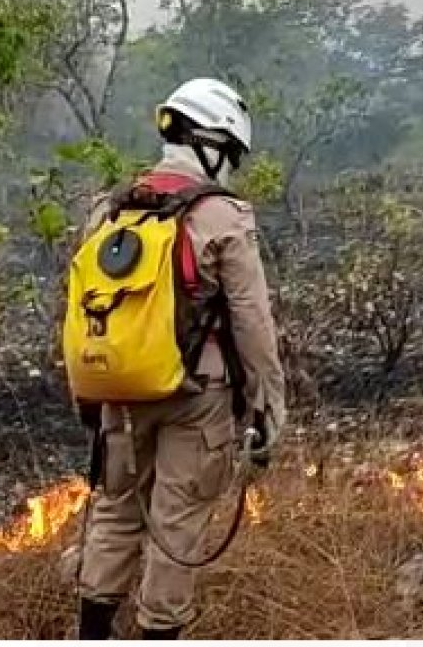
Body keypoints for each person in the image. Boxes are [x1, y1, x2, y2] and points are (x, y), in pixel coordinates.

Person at [75, 78, 285, 639]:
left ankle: (91, 632)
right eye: (231, 155)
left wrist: (90, 396)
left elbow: (84, 308)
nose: (232, 168)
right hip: (197, 399)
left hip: (119, 394)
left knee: (117, 515)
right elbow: (252, 322)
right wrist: (268, 408)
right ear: (210, 144)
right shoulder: (223, 216)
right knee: (177, 525)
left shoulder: (109, 210)